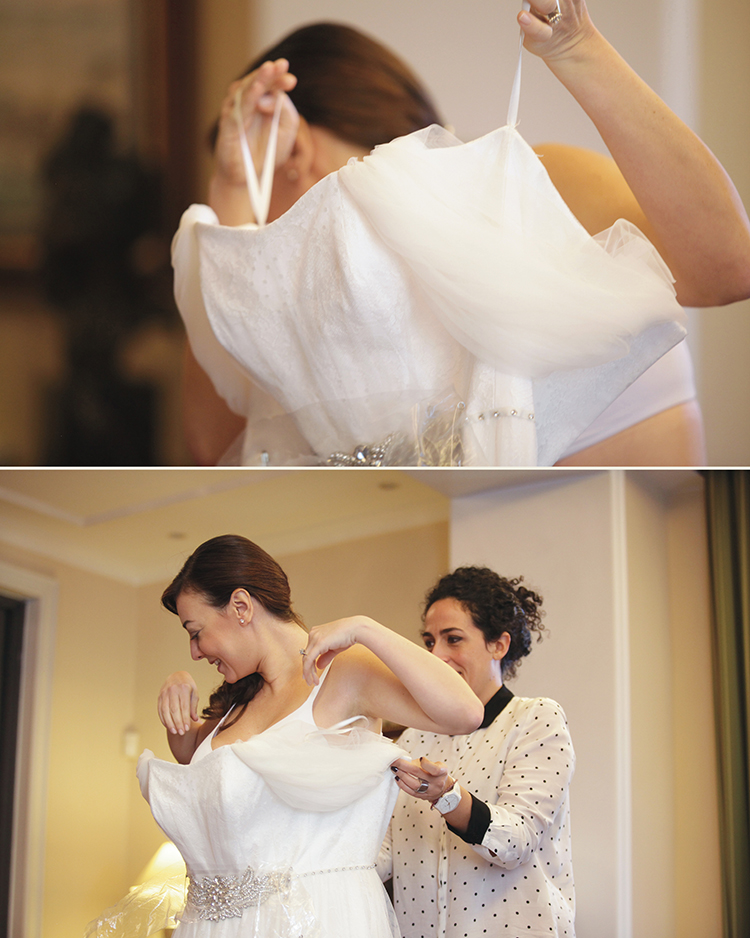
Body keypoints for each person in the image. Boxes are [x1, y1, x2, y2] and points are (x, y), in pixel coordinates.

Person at [175, 4, 750, 466]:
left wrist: (578, 51)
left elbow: (730, 266)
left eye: (257, 215)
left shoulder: (532, 190)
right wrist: (231, 192)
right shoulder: (330, 336)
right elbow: (212, 443)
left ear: (293, 150)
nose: (263, 237)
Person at [121, 534, 482, 938]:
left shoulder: (343, 672)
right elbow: (193, 760)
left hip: (318, 919)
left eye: (195, 631)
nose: (195, 651)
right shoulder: (238, 699)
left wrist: (365, 629)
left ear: (241, 607)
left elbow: (466, 713)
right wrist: (177, 687)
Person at [378, 566, 575, 937]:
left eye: (453, 639)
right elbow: (387, 849)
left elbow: (516, 842)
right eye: (429, 642)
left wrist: (448, 797)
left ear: (498, 645)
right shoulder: (413, 739)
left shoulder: (535, 719)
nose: (435, 656)